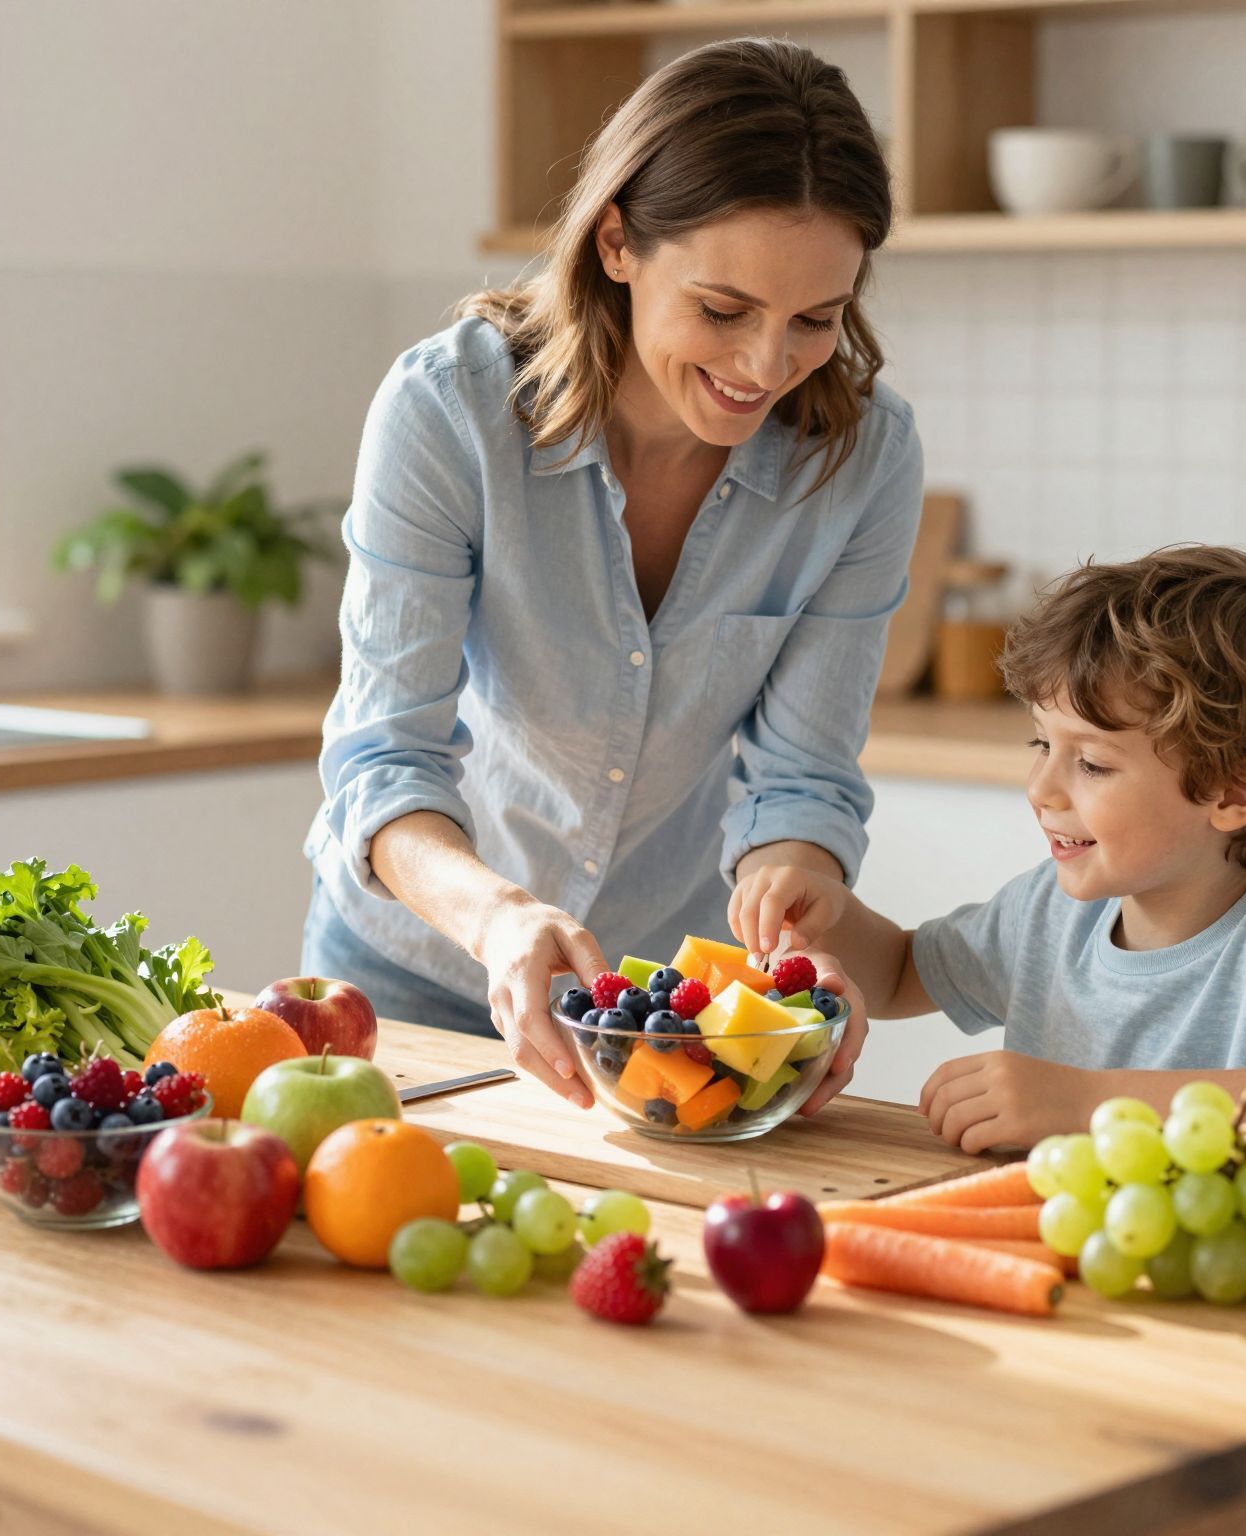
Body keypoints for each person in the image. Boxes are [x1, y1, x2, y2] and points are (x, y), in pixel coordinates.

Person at [303, 39, 921, 1112]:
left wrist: (795, 909)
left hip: (645, 1001)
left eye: (814, 320)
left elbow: (801, 781)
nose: (765, 368)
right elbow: (381, 759)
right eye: (723, 311)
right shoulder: (448, 414)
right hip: (406, 971)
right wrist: (500, 916)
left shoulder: (856, 460)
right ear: (618, 242)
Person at [729, 545, 1246, 1150]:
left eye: (1091, 763)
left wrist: (1091, 1104)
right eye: (1041, 744)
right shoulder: (1047, 913)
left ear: (1234, 793)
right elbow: (901, 973)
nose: (1041, 788)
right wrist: (830, 912)